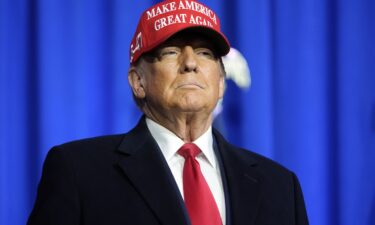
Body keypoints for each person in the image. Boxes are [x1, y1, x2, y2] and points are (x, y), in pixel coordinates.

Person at [27, 0, 309, 225]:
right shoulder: (78, 172)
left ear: (221, 83)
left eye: (205, 53)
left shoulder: (281, 187)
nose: (190, 63)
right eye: (171, 52)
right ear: (138, 82)